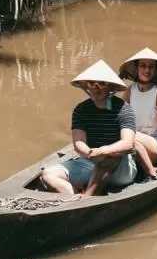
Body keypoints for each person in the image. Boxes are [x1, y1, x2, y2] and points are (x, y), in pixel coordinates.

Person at [39, 60, 137, 197]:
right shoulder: (81, 110)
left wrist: (102, 151)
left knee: (111, 157)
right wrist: (91, 153)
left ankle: (87, 197)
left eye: (102, 83)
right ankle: (73, 199)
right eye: (92, 84)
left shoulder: (123, 109)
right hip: (90, 162)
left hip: (121, 169)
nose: (97, 88)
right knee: (48, 174)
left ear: (110, 87)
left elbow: (127, 143)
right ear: (87, 87)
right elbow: (79, 143)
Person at [118, 48, 157, 178]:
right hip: (133, 141)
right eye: (143, 66)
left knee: (129, 136)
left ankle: (150, 169)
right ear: (136, 68)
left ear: (155, 70)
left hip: (155, 144)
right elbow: (117, 117)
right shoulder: (129, 91)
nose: (147, 70)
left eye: (151, 66)